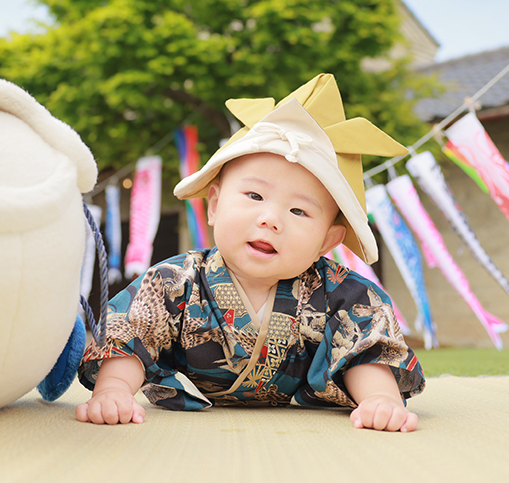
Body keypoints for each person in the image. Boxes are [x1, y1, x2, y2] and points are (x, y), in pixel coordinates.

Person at [76, 74, 425, 431]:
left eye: (299, 211)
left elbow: (367, 349)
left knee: (365, 348)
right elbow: (132, 335)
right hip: (200, 419)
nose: (271, 219)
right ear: (213, 205)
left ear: (327, 240)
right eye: (254, 196)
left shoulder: (343, 294)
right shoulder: (174, 282)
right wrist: (114, 390)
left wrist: (379, 399)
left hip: (296, 421)